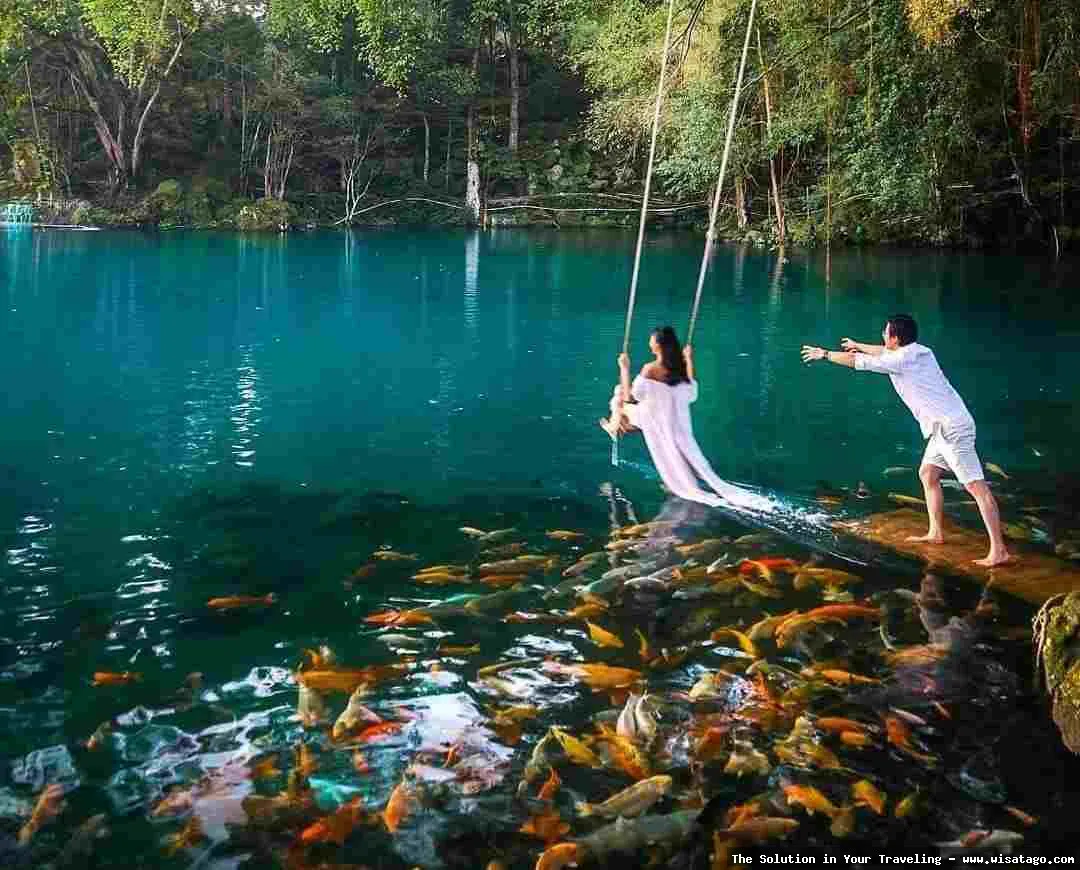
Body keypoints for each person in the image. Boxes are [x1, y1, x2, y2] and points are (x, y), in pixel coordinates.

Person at [800, 314, 1011, 567]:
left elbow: (858, 362)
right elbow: (881, 352)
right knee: (928, 474)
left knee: (977, 488)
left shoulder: (900, 360)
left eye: (885, 332)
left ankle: (999, 551)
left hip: (950, 429)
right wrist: (859, 343)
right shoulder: (920, 352)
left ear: (895, 338)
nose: (882, 335)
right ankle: (935, 532)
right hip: (944, 426)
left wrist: (825, 354)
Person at [600, 326, 772, 511]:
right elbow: (691, 393)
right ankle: (620, 425)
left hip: (652, 418)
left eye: (652, 340)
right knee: (623, 400)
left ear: (658, 344)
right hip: (673, 421)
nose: (649, 344)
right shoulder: (680, 367)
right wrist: (689, 359)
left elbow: (630, 398)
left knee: (618, 395)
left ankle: (614, 426)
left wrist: (624, 369)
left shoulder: (650, 369)